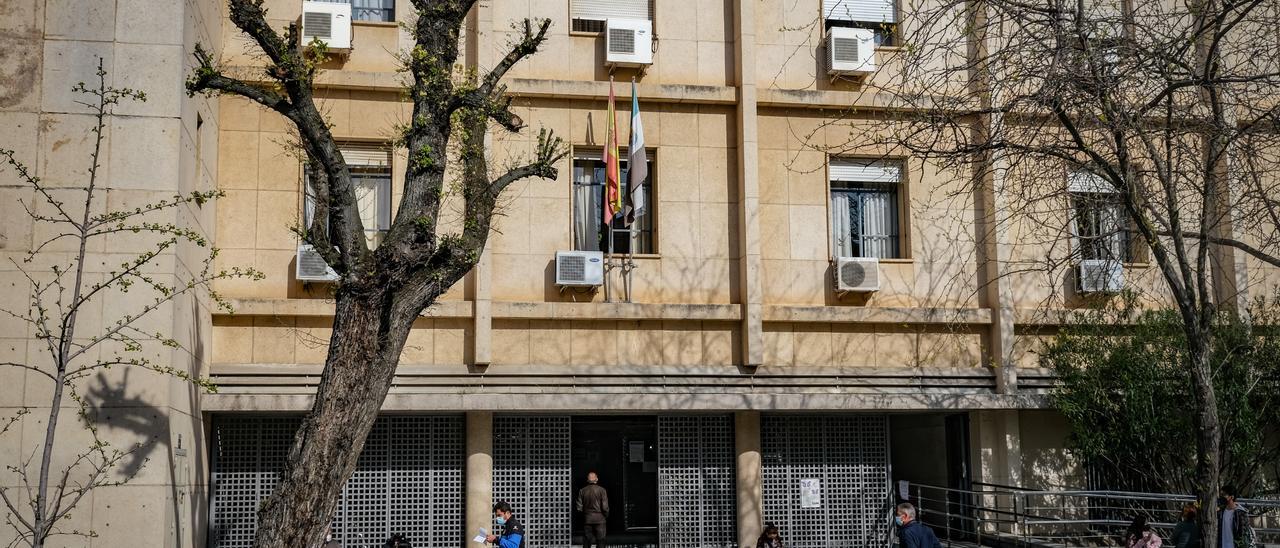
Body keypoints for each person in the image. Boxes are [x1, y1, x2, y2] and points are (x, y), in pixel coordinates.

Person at [576, 471, 610, 548]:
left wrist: (584, 516)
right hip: (600, 519)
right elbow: (605, 507)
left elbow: (579, 508)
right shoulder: (602, 490)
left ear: (587, 480)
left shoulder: (582, 491)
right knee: (601, 542)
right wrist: (605, 516)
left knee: (587, 542)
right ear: (597, 479)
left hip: (587, 519)